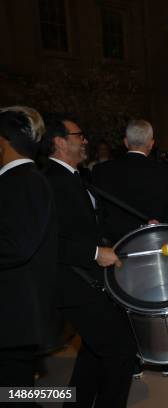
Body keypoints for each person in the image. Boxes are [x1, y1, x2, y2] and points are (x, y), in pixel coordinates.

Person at [43, 114, 136, 407]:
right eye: (78, 135)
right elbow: (49, 241)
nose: (85, 140)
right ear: (59, 142)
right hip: (73, 283)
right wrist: (95, 253)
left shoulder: (77, 176)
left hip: (90, 279)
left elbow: (94, 224)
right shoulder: (50, 182)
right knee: (121, 352)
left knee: (94, 351)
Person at [0, 107, 60, 388]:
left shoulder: (24, 181)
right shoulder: (21, 180)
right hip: (15, 318)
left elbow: (17, 245)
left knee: (13, 395)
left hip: (15, 319)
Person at [92, 119, 168, 244]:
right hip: (156, 241)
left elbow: (96, 209)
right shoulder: (165, 172)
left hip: (117, 244)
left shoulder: (101, 170)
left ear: (125, 142)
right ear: (151, 144)